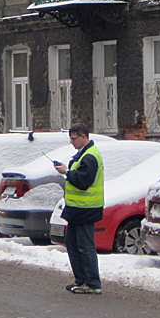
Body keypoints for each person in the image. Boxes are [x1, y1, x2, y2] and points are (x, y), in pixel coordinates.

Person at [53, 124, 104, 295]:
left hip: (86, 209)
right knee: (73, 244)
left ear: (84, 136)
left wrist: (66, 172)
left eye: (74, 138)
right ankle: (81, 280)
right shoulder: (83, 154)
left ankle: (92, 283)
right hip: (77, 208)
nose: (71, 142)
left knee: (85, 246)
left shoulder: (90, 156)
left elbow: (83, 182)